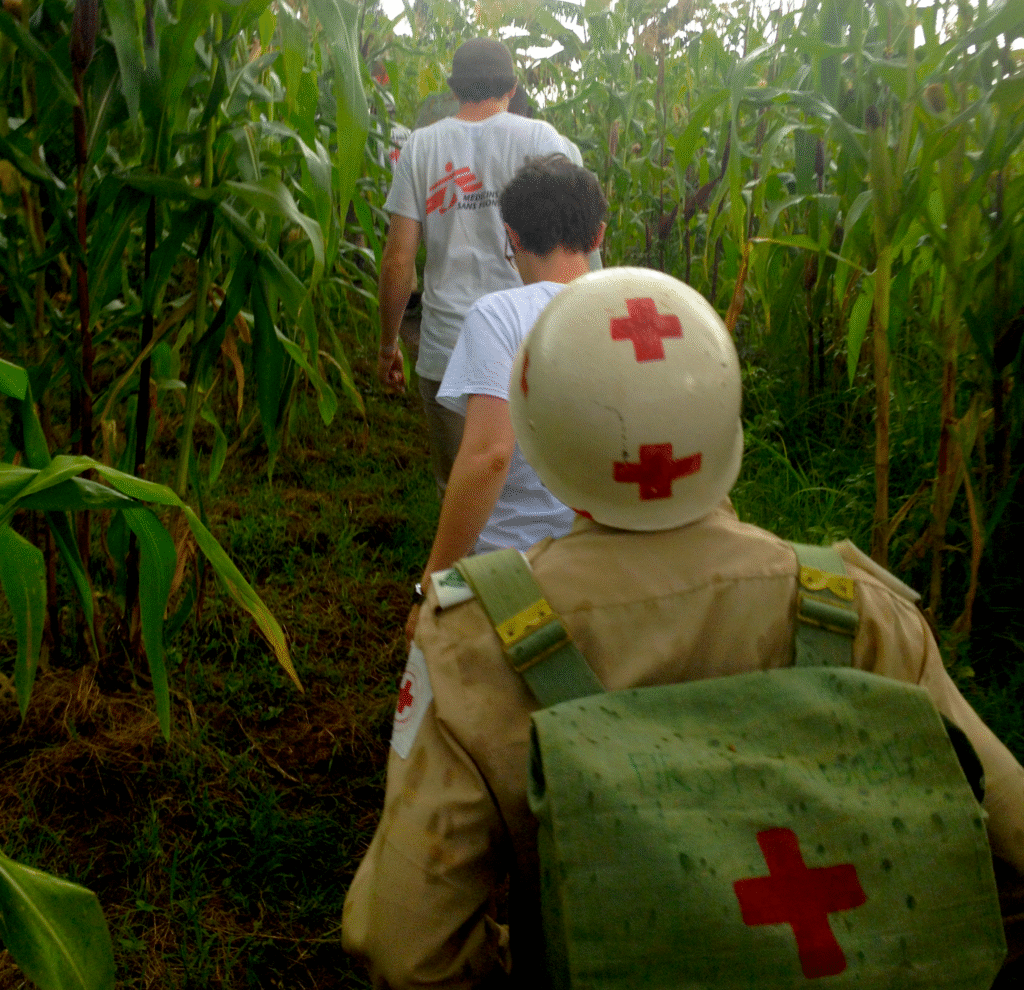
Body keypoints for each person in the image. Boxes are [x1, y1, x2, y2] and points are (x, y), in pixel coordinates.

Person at [343, 268, 1024, 987]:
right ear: (728, 428)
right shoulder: (863, 612)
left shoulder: (474, 641)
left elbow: (406, 947)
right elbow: (1010, 841)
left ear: (538, 441)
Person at [403, 154, 607, 643]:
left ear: (511, 237)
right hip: (609, 565)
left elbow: (490, 456)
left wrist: (430, 585)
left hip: (512, 571)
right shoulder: (629, 307)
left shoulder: (498, 316)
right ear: (598, 236)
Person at [376, 38, 590, 495]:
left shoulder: (421, 146)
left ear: (454, 89)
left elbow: (398, 260)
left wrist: (388, 344)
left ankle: (461, 544)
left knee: (461, 493)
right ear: (511, 88)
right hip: (533, 347)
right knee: (539, 497)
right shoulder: (544, 141)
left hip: (448, 350)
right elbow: (580, 250)